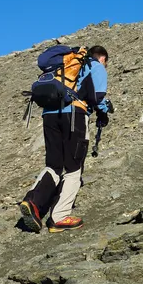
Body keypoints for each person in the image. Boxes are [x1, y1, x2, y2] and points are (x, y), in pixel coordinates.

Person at [20, 45, 110, 234]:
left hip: (49, 115)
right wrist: (103, 113)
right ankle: (59, 217)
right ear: (102, 58)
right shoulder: (95, 66)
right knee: (73, 167)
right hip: (74, 116)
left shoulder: (63, 65)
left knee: (53, 164)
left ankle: (33, 202)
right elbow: (98, 97)